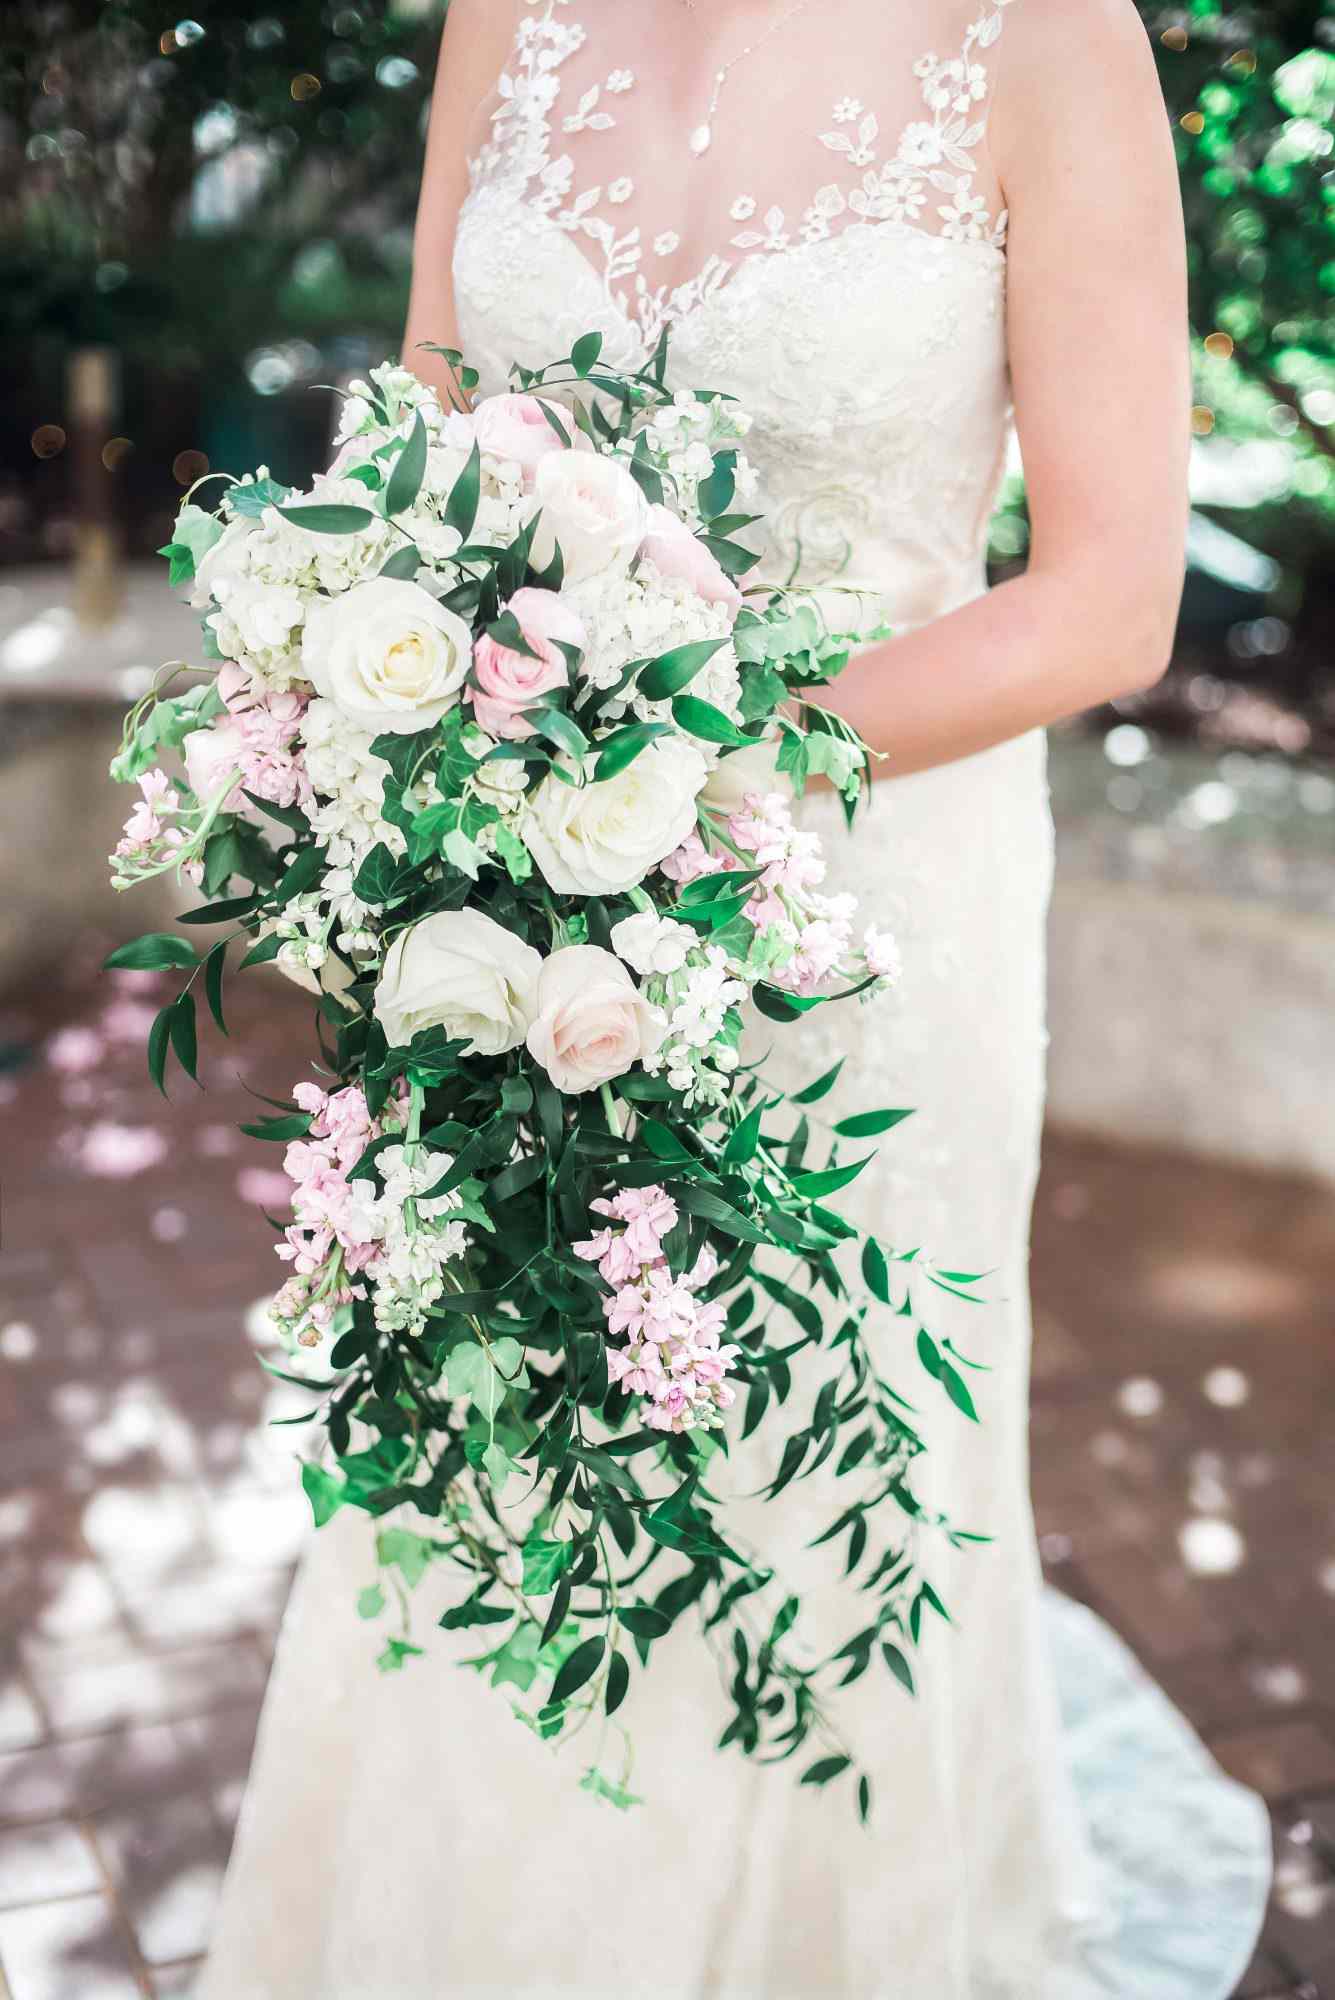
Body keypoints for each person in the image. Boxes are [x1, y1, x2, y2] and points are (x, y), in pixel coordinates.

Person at [199, 4, 1271, 1992]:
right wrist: (367, 704)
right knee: (494, 1405)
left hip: (857, 907)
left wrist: (668, 774)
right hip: (500, 887)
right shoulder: (498, 15)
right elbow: (430, 424)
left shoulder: (1040, 36)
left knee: (789, 1443)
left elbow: (1109, 596)